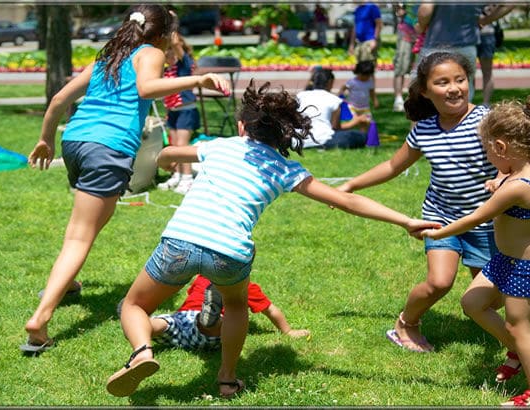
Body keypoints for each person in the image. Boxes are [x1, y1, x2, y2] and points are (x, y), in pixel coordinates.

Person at [106, 80, 439, 398]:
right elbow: (347, 201)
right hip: (230, 251)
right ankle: (227, 378)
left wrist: (164, 158)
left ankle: (142, 352)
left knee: (134, 305)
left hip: (182, 239)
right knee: (236, 305)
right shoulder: (285, 168)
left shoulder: (219, 146)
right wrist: (405, 219)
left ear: (243, 127)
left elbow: (168, 154)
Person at [22, 4, 232, 354]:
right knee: (81, 235)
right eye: (173, 32)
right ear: (162, 34)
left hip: (76, 142)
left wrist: (45, 139)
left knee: (82, 224)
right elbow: (148, 89)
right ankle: (40, 320)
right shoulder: (150, 52)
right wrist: (199, 79)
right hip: (108, 148)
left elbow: (60, 98)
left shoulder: (110, 56)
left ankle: (67, 282)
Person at [337, 52, 502, 353]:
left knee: (493, 296)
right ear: (425, 91)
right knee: (439, 282)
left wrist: (503, 178)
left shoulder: (487, 120)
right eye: (442, 82)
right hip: (440, 217)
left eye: (460, 80)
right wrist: (351, 184)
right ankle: (405, 324)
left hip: (485, 220)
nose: (454, 88)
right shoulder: (425, 129)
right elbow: (391, 167)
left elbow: (510, 160)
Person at [421, 92, 530, 406]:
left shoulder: (520, 184)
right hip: (505, 259)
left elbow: (478, 216)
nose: (489, 160)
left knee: (519, 327)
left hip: (527, 266)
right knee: (473, 302)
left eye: (488, 152)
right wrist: (497, 180)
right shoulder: (528, 168)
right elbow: (504, 176)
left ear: (501, 147)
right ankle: (517, 353)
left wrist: (438, 232)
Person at [142, 275, 309, 352]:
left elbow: (191, 294)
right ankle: (210, 320)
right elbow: (271, 310)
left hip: (182, 320)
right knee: (222, 326)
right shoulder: (244, 286)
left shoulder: (200, 278)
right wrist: (287, 331)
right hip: (203, 334)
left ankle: (140, 323)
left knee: (162, 324)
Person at [416, 2, 511, 101]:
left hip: (435, 44)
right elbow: (509, 4)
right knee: (462, 91)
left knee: (430, 87)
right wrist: (485, 20)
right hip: (466, 45)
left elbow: (425, 11)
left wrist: (421, 26)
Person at [156, 32, 200, 195]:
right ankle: (177, 174)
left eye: (169, 51)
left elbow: (176, 46)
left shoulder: (184, 66)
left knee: (182, 146)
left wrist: (173, 38)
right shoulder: (167, 70)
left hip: (186, 111)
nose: (166, 55)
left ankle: (187, 179)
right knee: (174, 146)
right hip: (173, 112)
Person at [297, 68, 371, 149]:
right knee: (361, 136)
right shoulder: (334, 100)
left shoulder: (300, 95)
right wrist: (356, 121)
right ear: (330, 82)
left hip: (301, 139)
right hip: (324, 140)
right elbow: (336, 128)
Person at [476, 4, 515, 107]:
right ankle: (467, 103)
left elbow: (507, 5)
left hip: (487, 34)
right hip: (467, 35)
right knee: (467, 72)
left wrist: (485, 19)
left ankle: (486, 103)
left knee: (487, 71)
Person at [392, 3, 419, 112]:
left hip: (421, 34)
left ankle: (414, 98)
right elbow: (397, 6)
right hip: (405, 34)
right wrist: (399, 10)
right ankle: (398, 100)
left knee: (417, 69)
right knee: (401, 67)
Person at [338, 60, 378, 133]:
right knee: (351, 121)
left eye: (368, 75)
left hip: (365, 107)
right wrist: (340, 95)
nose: (365, 77)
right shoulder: (352, 82)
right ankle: (347, 133)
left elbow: (372, 92)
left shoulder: (370, 82)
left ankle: (362, 135)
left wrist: (375, 100)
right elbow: (343, 87)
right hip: (352, 107)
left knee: (366, 121)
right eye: (363, 75)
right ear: (358, 73)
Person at [348, 1, 382, 66]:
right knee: (360, 67)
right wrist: (351, 44)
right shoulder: (358, 9)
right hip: (359, 42)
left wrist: (375, 39)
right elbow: (355, 27)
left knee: (368, 67)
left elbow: (379, 24)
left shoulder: (372, 7)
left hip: (369, 41)